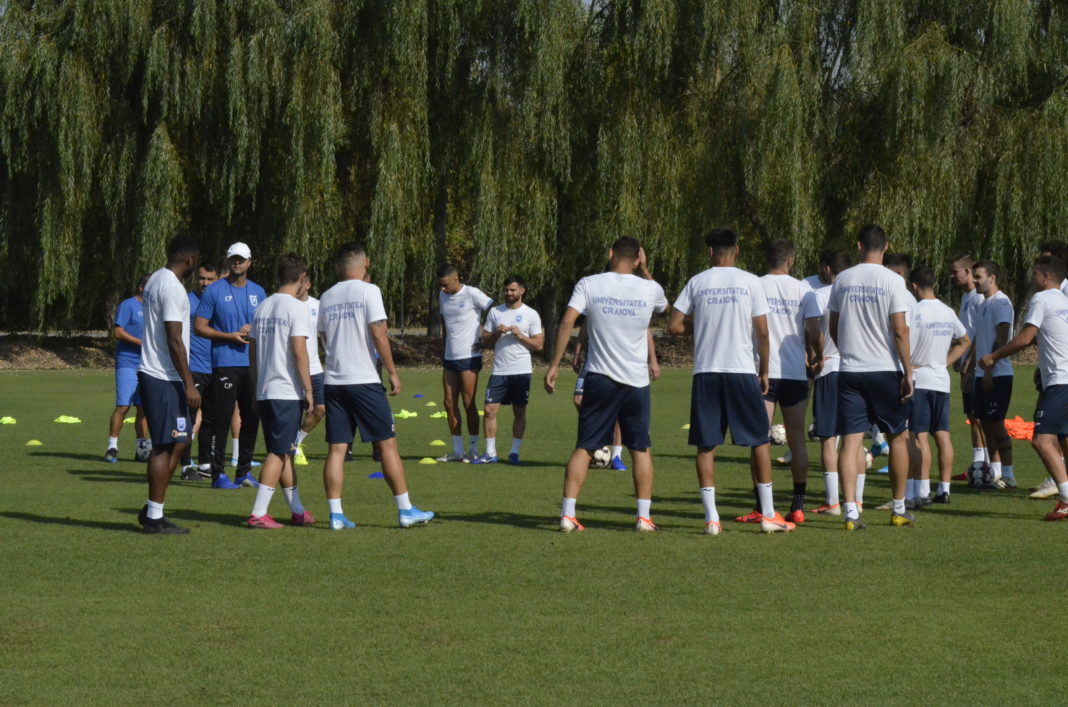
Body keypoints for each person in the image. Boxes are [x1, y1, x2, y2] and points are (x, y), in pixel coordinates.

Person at [668, 228, 795, 534]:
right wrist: (764, 371)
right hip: (741, 370)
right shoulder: (751, 281)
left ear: (710, 252)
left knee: (706, 445)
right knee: (759, 441)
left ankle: (712, 519)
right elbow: (763, 333)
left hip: (706, 371)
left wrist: (702, 330)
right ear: (737, 250)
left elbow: (673, 326)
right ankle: (768, 515)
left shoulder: (697, 282)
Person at [544, 237, 668, 532]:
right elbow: (665, 308)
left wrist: (554, 366)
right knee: (640, 449)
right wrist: (646, 270)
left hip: (599, 378)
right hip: (636, 383)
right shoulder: (650, 288)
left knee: (585, 446)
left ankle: (567, 514)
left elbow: (566, 322)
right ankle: (643, 518)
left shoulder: (589, 283)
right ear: (638, 258)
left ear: (610, 253)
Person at [317, 243, 434, 530]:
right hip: (364, 380)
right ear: (365, 263)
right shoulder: (371, 291)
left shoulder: (326, 296)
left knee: (337, 449)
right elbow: (379, 333)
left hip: (334, 380)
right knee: (387, 445)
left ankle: (336, 514)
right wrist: (393, 372)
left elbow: (322, 336)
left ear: (338, 267)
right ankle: (405, 509)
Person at [828, 224, 915, 530]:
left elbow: (833, 326)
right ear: (886, 247)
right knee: (899, 438)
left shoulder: (843, 280)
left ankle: (851, 511)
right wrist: (908, 370)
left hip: (850, 370)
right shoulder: (894, 281)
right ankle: (899, 507)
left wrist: (849, 351)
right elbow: (900, 330)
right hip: (884, 368)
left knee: (850, 443)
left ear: (858, 245)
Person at [980, 255, 1068, 520]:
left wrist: (994, 356)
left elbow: (1026, 338)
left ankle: (1065, 498)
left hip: (1059, 380)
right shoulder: (1064, 300)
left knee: (1041, 440)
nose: (1032, 279)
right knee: (1064, 439)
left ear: (1045, 276)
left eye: (1035, 274)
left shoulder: (1041, 299)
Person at [245, 253, 317, 528]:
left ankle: (297, 511)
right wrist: (309, 389)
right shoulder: (296, 308)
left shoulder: (262, 307)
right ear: (301, 279)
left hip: (265, 389)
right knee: (277, 453)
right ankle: (259, 513)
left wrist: (254, 388)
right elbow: (300, 351)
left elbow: (252, 352)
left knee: (283, 450)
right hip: (286, 391)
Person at [135, 236, 200, 534]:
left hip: (162, 375)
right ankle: (154, 518)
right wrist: (189, 383)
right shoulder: (172, 288)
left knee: (181, 440)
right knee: (164, 445)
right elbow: (174, 338)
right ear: (189, 261)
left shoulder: (155, 280)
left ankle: (152, 508)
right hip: (164, 376)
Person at [194, 242, 267, 489]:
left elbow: (267, 327)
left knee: (252, 416)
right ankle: (218, 475)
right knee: (222, 419)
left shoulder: (259, 291)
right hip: (224, 362)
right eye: (234, 259)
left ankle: (244, 472)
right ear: (228, 261)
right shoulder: (214, 291)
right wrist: (229, 336)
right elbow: (199, 327)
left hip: (253, 364)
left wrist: (252, 329)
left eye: (242, 259)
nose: (238, 263)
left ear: (249, 262)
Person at [906, 266, 970, 505]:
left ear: (914, 286)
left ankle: (922, 491)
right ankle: (944, 489)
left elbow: (906, 344)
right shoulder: (947, 310)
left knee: (919, 436)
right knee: (942, 435)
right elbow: (965, 340)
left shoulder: (915, 311)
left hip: (920, 380)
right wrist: (946, 361)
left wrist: (908, 368)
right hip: (941, 380)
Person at [758, 239, 811, 523]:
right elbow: (814, 329)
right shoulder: (804, 289)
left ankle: (761, 505)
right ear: (790, 261)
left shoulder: (755, 285)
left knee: (760, 439)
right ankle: (798, 504)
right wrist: (814, 354)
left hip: (763, 372)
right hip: (794, 372)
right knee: (797, 439)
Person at [471, 276, 544, 465]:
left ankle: (514, 452)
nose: (509, 293)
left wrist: (520, 336)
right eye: (507, 290)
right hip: (499, 371)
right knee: (489, 410)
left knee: (519, 411)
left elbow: (539, 345)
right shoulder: (495, 312)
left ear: (522, 291)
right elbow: (484, 342)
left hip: (521, 371)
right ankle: (490, 453)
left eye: (512, 290)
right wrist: (496, 333)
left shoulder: (531, 314)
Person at [803, 250, 853, 515]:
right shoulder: (857, 295)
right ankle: (855, 501)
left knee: (828, 438)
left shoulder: (820, 295)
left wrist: (816, 357)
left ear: (827, 268)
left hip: (830, 367)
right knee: (853, 439)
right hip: (857, 369)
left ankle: (833, 501)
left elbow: (815, 335)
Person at [964, 260, 1016, 489]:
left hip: (997, 374)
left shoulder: (1001, 303)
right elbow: (980, 338)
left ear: (992, 278)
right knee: (984, 423)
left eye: (978, 276)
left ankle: (1009, 475)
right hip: (981, 373)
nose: (974, 280)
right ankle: (993, 473)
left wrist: (989, 368)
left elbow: (1003, 337)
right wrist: (970, 366)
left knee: (995, 424)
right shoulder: (984, 303)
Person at [435, 264, 494, 462]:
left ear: (456, 278)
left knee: (468, 403)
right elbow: (445, 322)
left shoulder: (472, 293)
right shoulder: (443, 296)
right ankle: (457, 451)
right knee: (449, 403)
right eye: (441, 286)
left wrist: (486, 338)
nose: (443, 289)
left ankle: (474, 449)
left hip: (469, 356)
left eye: (445, 285)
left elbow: (494, 310)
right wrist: (444, 348)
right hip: (449, 357)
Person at [949, 254, 988, 483]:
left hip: (976, 366)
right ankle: (977, 465)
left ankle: (987, 466)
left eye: (955, 271)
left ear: (968, 272)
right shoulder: (966, 297)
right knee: (972, 416)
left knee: (980, 417)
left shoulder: (978, 299)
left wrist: (968, 363)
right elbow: (966, 333)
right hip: (967, 363)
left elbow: (979, 334)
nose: (952, 276)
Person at [105, 274, 151, 463]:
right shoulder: (128, 305)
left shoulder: (154, 308)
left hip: (148, 364)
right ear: (141, 287)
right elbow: (118, 331)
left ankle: (141, 450)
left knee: (144, 408)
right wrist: (141, 342)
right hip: (128, 362)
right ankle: (112, 448)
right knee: (123, 406)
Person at [181, 262, 219, 480]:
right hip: (193, 368)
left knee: (211, 420)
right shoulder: (187, 300)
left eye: (209, 279)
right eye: (202, 278)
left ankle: (205, 464)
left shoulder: (219, 301)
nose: (205, 283)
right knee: (188, 419)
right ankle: (186, 467)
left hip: (215, 367)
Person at [292, 277, 326, 467]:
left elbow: (325, 335)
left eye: (302, 282)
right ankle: (291, 448)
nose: (299, 285)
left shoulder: (318, 306)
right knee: (294, 412)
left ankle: (297, 441)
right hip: (292, 369)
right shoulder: (288, 305)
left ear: (308, 285)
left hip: (314, 367)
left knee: (320, 409)